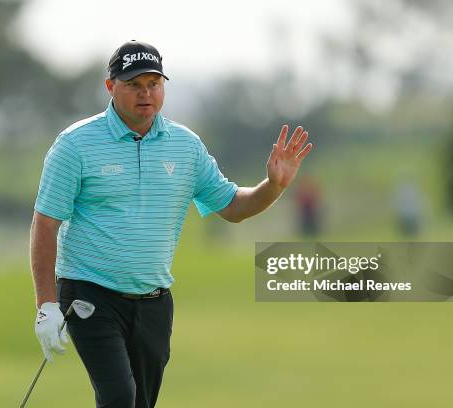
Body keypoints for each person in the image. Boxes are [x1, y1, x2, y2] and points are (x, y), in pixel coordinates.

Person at [30, 40, 313, 408]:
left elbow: (233, 207)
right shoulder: (75, 145)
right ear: (111, 87)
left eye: (154, 84)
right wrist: (46, 305)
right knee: (119, 397)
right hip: (89, 295)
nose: (145, 94)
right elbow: (45, 223)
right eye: (134, 85)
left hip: (154, 303)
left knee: (141, 403)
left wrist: (273, 186)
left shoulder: (185, 146)